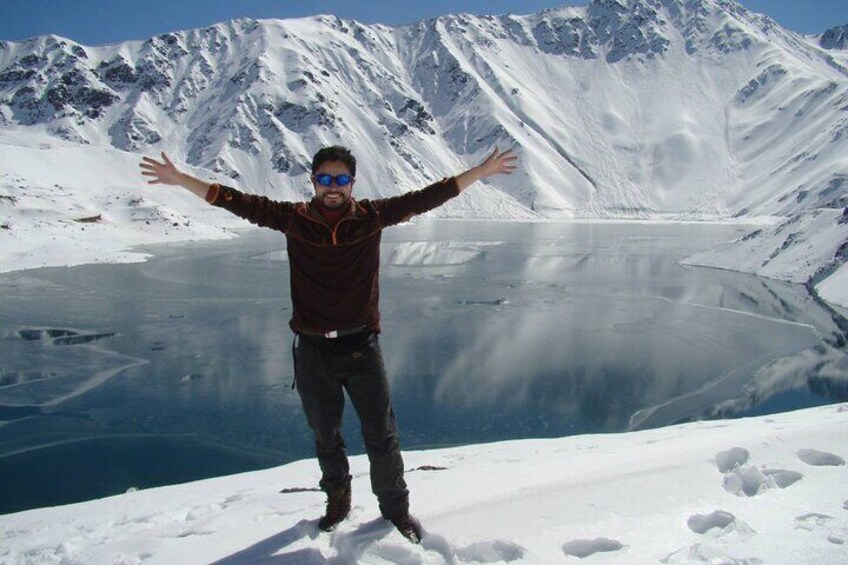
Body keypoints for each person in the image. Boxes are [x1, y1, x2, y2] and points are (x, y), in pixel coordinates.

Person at [139, 145, 517, 543]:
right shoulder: (293, 219)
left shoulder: (371, 217)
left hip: (362, 348)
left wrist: (479, 171)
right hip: (313, 350)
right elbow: (234, 201)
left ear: (352, 183)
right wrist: (180, 179)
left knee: (381, 435)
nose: (332, 187)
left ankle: (396, 512)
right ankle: (337, 501)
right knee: (326, 434)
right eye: (325, 179)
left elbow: (427, 197)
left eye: (340, 180)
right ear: (314, 181)